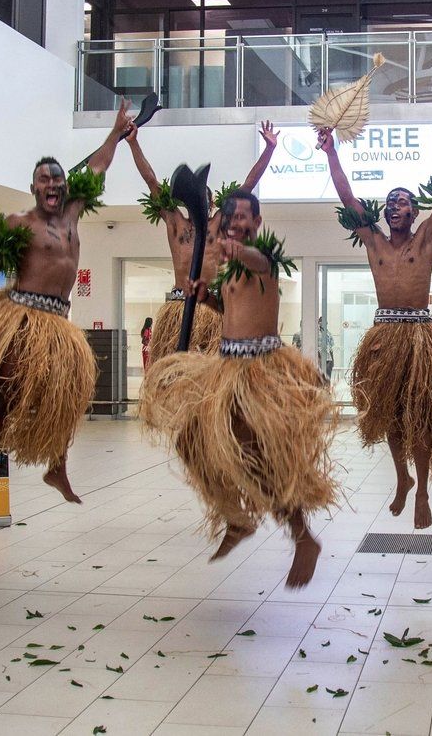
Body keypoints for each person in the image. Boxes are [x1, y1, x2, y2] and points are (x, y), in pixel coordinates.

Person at [0, 109, 134, 514]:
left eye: (57, 179)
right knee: (2, 397)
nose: (52, 185)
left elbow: (98, 166)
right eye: (44, 180)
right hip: (23, 320)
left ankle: (56, 467)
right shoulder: (18, 223)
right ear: (33, 187)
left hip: (59, 322)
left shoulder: (74, 210)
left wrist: (115, 133)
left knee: (67, 394)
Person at [141, 189, 335, 587]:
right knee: (190, 441)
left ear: (258, 223)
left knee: (266, 458)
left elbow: (255, 260)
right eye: (232, 218)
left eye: (246, 217)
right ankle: (236, 515)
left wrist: (232, 249)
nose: (238, 223)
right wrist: (207, 299)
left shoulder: (263, 261)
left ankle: (303, 537)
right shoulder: (229, 270)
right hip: (228, 367)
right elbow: (233, 313)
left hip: (259, 372)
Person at [320, 120, 432, 529]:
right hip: (385, 337)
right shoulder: (375, 242)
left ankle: (422, 492)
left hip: (420, 337)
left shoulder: (426, 240)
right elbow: (347, 198)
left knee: (421, 416)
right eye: (388, 202)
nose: (392, 207)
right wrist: (331, 153)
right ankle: (403, 478)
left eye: (401, 202)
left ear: (415, 211)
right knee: (391, 415)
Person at [129, 117, 278, 365]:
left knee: (211, 374)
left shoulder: (217, 224)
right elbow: (151, 181)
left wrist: (269, 150)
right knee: (173, 375)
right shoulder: (175, 222)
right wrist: (133, 143)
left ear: (211, 204)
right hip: (178, 308)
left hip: (209, 309)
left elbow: (248, 186)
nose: (203, 204)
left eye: (206, 200)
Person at [317, 316, 335, 382]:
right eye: (321, 323)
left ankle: (327, 390)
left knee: (327, 377)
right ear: (319, 323)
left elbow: (331, 347)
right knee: (320, 377)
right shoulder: (316, 333)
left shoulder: (329, 334)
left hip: (328, 359)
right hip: (319, 358)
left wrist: (332, 361)